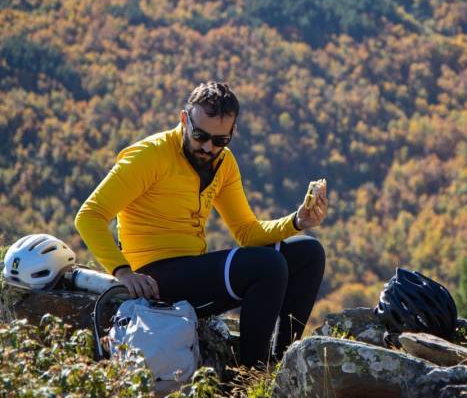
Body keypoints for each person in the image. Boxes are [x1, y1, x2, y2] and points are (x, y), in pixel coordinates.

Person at [75, 81, 328, 367]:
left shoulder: (224, 163)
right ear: (184, 119)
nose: (208, 147)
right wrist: (123, 272)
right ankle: (251, 376)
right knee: (267, 266)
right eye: (200, 135)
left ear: (231, 133)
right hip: (154, 281)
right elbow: (89, 215)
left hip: (191, 272)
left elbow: (247, 231)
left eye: (220, 140)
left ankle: (283, 364)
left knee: (308, 253)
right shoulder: (149, 156)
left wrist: (297, 221)